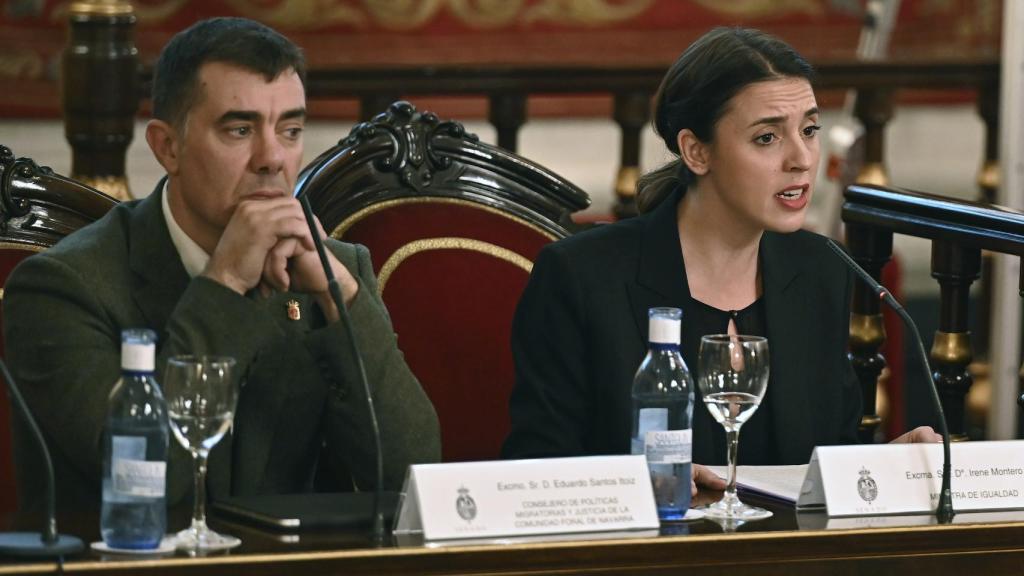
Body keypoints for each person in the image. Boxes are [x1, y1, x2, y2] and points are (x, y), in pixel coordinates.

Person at [4, 17, 440, 514]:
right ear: (168, 147)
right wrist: (225, 282)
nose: (273, 158)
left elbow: (414, 475)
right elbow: (144, 481)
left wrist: (342, 300)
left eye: (291, 129)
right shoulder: (63, 287)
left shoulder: (335, 272)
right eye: (239, 129)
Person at [502, 27, 938, 489]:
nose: (802, 158)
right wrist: (633, 483)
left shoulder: (819, 269)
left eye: (809, 130)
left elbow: (824, 456)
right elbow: (535, 469)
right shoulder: (582, 277)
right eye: (767, 137)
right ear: (696, 151)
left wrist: (887, 466)